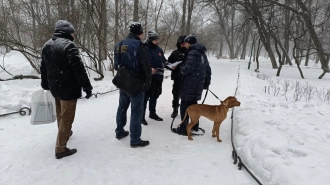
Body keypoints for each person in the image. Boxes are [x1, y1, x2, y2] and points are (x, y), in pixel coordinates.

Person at [40, 20, 93, 159]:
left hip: (55, 87)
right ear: (67, 32)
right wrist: (87, 87)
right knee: (67, 117)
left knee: (60, 113)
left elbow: (43, 68)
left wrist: (45, 84)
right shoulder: (69, 46)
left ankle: (65, 133)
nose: (74, 35)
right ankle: (60, 148)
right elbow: (79, 69)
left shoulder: (47, 45)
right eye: (72, 32)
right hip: (68, 88)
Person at [114, 23, 152, 147]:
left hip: (123, 81)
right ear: (139, 34)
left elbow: (116, 65)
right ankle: (135, 140)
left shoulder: (119, 44)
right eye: (142, 33)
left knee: (122, 107)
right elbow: (145, 66)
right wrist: (148, 80)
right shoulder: (139, 45)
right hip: (136, 83)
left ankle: (119, 131)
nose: (143, 36)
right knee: (136, 111)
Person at [172, 34, 212, 135]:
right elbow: (208, 70)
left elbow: (188, 69)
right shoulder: (202, 53)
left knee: (185, 107)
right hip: (197, 85)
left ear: (190, 42)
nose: (184, 44)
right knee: (194, 107)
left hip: (189, 85)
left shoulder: (192, 53)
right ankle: (194, 126)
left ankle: (183, 128)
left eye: (185, 42)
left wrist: (180, 68)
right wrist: (206, 83)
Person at [141, 30, 166, 125]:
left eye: (157, 39)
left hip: (158, 77)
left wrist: (169, 65)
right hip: (148, 78)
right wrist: (148, 69)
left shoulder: (159, 49)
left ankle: (152, 113)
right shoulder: (143, 48)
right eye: (155, 40)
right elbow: (141, 63)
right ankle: (141, 116)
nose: (157, 41)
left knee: (155, 96)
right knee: (145, 97)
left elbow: (163, 60)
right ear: (150, 39)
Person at [167, 35, 186, 118]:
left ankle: (185, 110)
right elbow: (168, 63)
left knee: (186, 96)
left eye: (184, 43)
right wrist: (172, 66)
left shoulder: (189, 52)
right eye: (181, 44)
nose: (183, 45)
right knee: (175, 94)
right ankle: (175, 109)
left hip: (186, 78)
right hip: (177, 78)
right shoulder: (175, 53)